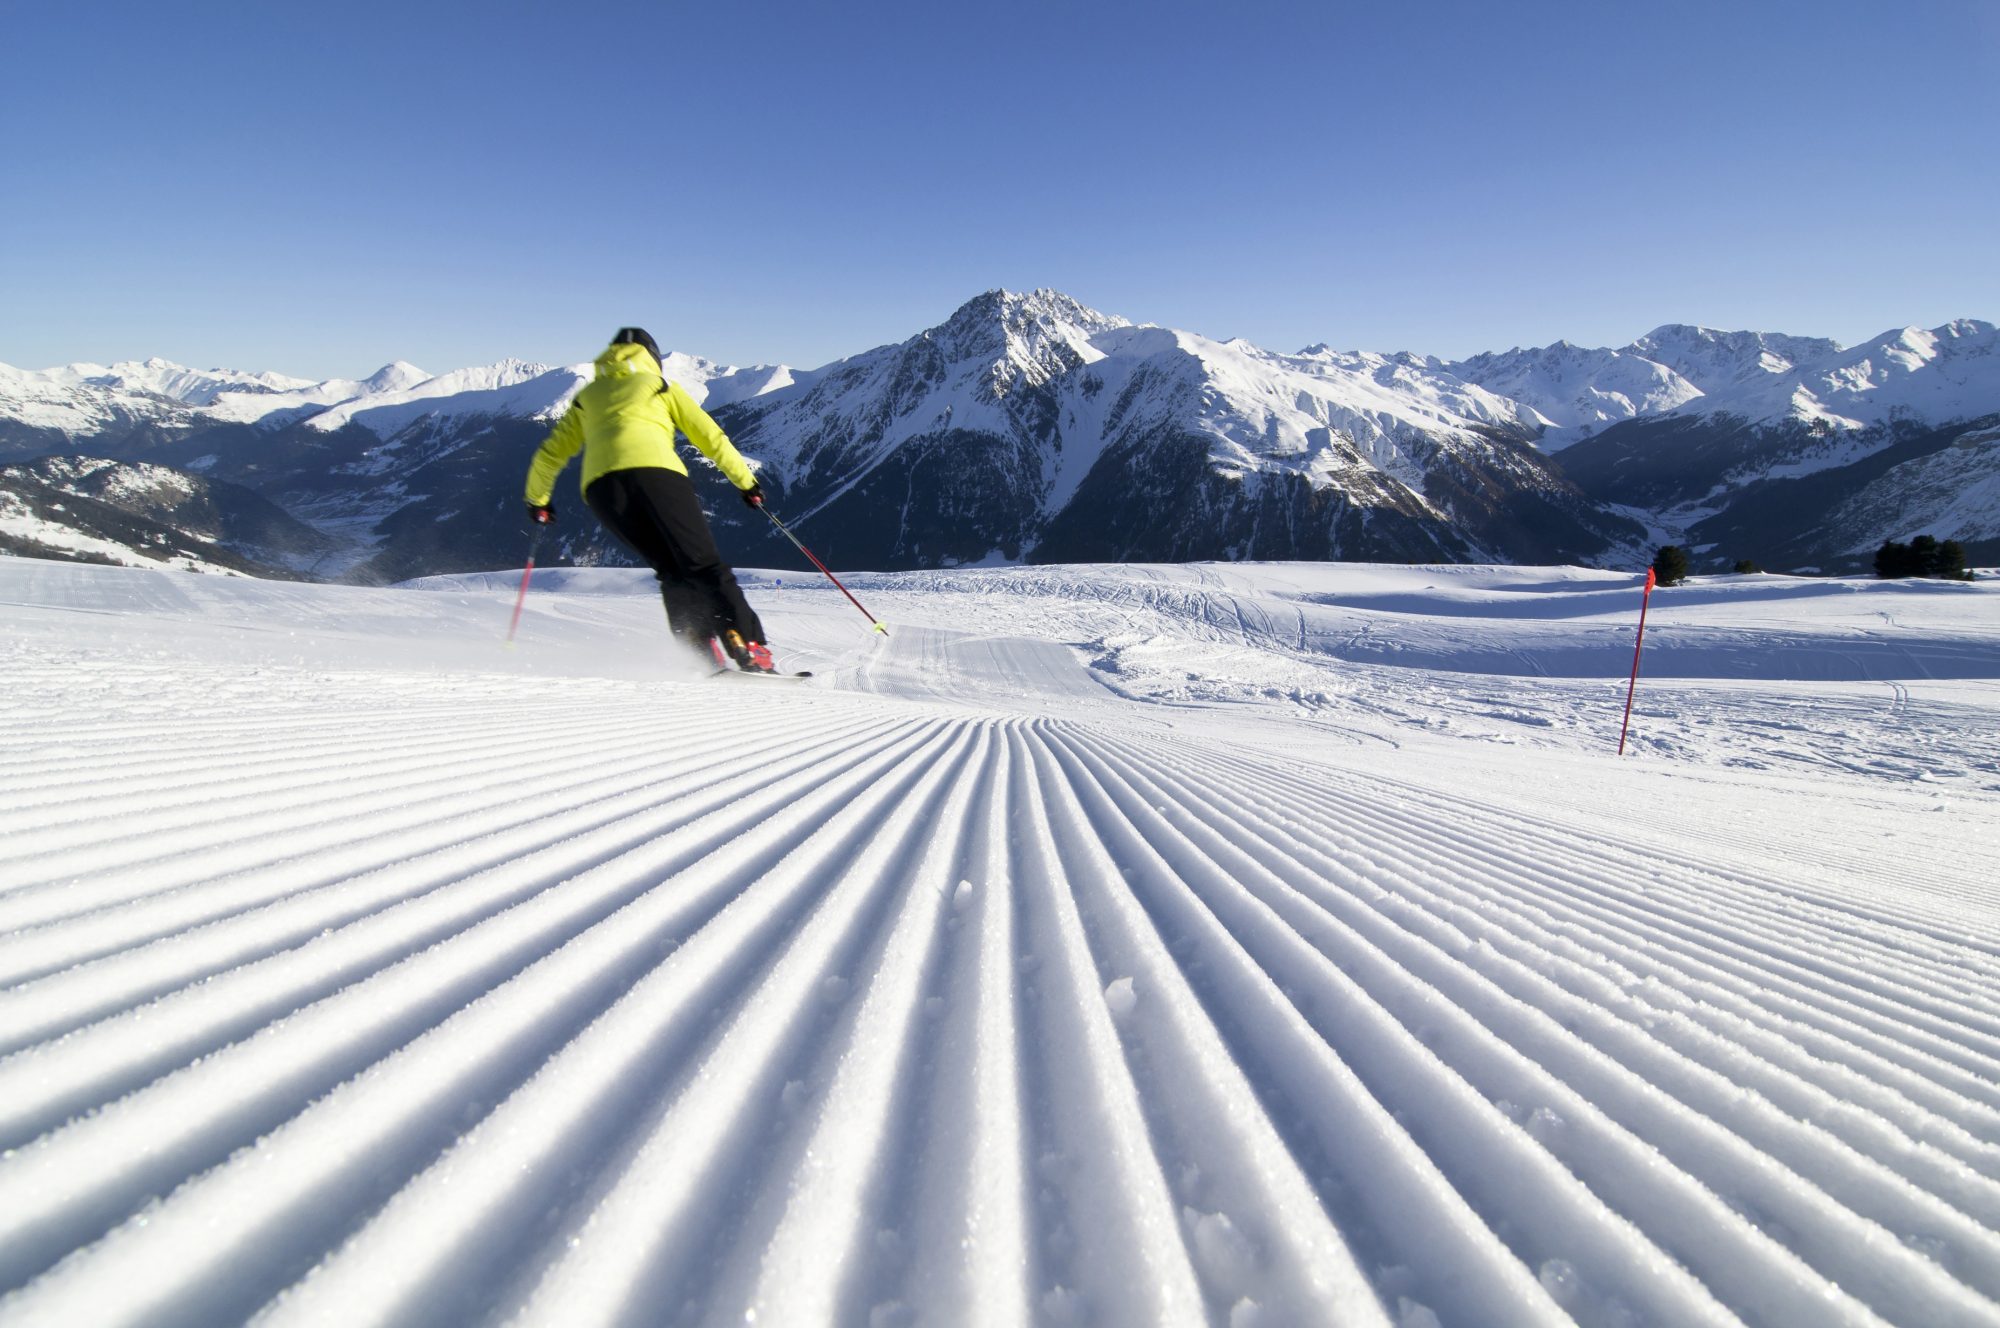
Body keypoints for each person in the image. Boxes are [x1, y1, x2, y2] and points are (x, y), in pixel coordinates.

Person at [524, 327, 779, 673]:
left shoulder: (589, 396)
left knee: (671, 571)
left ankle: (698, 655)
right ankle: (749, 648)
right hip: (658, 477)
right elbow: (710, 437)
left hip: (602, 491)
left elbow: (550, 454)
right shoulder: (660, 386)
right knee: (704, 566)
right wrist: (746, 483)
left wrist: (537, 500)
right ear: (652, 357)